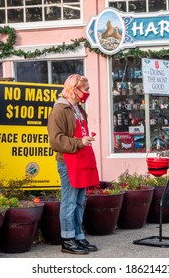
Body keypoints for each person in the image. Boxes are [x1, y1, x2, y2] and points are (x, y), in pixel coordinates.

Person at [47, 74, 99, 255]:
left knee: (78, 201)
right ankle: (67, 240)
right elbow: (55, 140)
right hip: (68, 161)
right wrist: (79, 142)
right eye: (86, 89)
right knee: (69, 201)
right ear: (74, 89)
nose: (88, 93)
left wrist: (84, 140)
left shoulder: (77, 108)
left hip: (81, 159)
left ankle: (78, 235)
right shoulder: (60, 110)